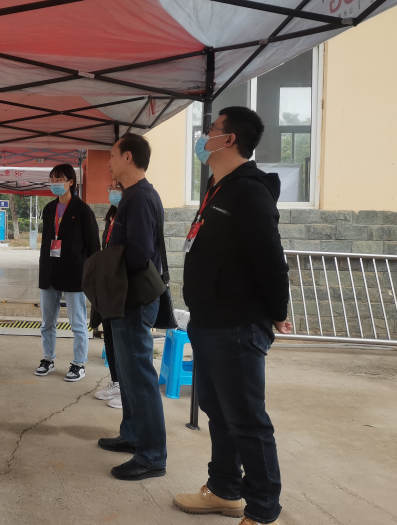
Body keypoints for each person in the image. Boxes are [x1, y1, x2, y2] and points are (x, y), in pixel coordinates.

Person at [173, 107, 292, 525]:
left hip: (238, 325)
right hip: (208, 320)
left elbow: (272, 261)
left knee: (246, 420)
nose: (203, 135)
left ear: (229, 139)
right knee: (218, 411)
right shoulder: (218, 186)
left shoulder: (249, 192)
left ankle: (262, 511)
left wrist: (277, 313)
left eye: (210, 128)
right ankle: (224, 489)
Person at [97, 133, 168, 481]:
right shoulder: (133, 195)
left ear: (128, 157)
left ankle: (152, 456)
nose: (108, 162)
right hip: (124, 297)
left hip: (134, 298)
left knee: (139, 377)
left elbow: (138, 254)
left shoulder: (139, 197)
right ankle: (132, 434)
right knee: (127, 375)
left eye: (112, 155)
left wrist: (106, 267)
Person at [36, 164, 100, 382]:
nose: (55, 184)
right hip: (49, 272)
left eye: (59, 179)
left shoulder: (83, 211)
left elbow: (93, 247)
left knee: (78, 322)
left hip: (74, 273)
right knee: (47, 321)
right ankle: (48, 359)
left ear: (71, 182)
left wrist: (91, 275)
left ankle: (79, 363)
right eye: (52, 180)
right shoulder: (48, 209)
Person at [93, 180, 124, 408]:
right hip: (108, 283)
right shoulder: (112, 214)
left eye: (116, 187)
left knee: (123, 339)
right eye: (110, 187)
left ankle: (127, 388)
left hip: (122, 285)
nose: (112, 191)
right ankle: (116, 382)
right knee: (110, 336)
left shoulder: (134, 209)